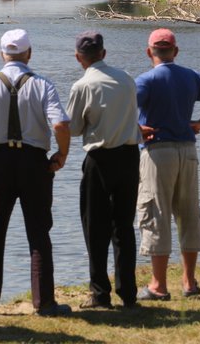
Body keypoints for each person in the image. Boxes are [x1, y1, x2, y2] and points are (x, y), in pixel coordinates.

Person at [0, 29, 72, 317]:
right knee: (38, 232)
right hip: (34, 163)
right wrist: (62, 154)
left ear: (1, 55)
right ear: (29, 54)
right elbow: (60, 125)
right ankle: (44, 302)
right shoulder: (43, 84)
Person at [135, 28, 200, 301]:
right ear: (175, 52)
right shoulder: (191, 76)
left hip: (158, 152)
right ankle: (189, 283)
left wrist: (136, 130)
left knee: (156, 212)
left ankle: (158, 286)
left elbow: (121, 109)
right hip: (188, 150)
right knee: (188, 212)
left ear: (149, 52)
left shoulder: (145, 80)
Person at [66, 31, 143, 309]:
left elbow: (73, 129)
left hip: (99, 159)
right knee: (123, 225)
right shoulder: (126, 79)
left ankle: (100, 293)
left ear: (79, 58)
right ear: (104, 53)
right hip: (130, 156)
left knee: (95, 227)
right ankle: (128, 293)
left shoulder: (82, 86)